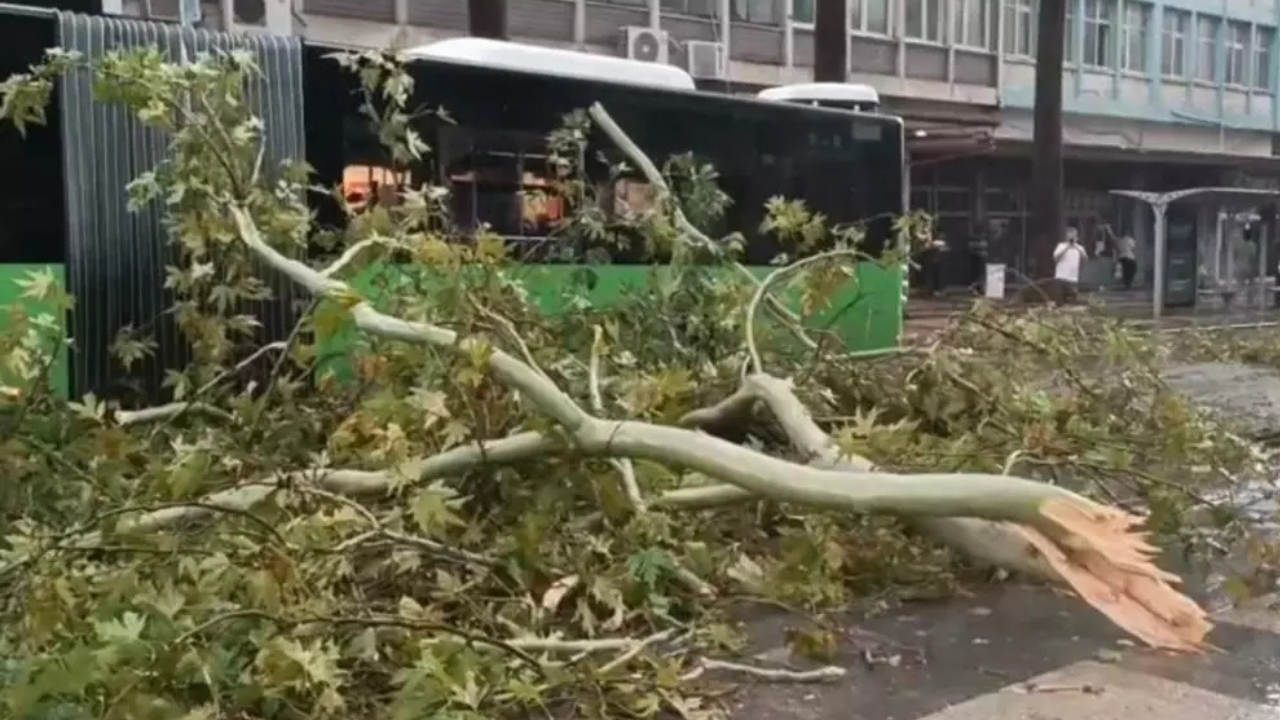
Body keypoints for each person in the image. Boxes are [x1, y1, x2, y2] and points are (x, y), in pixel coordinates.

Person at [1053, 227, 1088, 303]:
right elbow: (1056, 258)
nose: (1071, 237)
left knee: (1072, 301)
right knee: (1059, 300)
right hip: (1061, 278)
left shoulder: (1080, 248)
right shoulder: (1061, 246)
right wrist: (1067, 247)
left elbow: (1085, 259)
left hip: (1073, 279)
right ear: (1066, 236)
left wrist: (1076, 246)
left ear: (1076, 236)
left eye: (1073, 235)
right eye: (1070, 235)